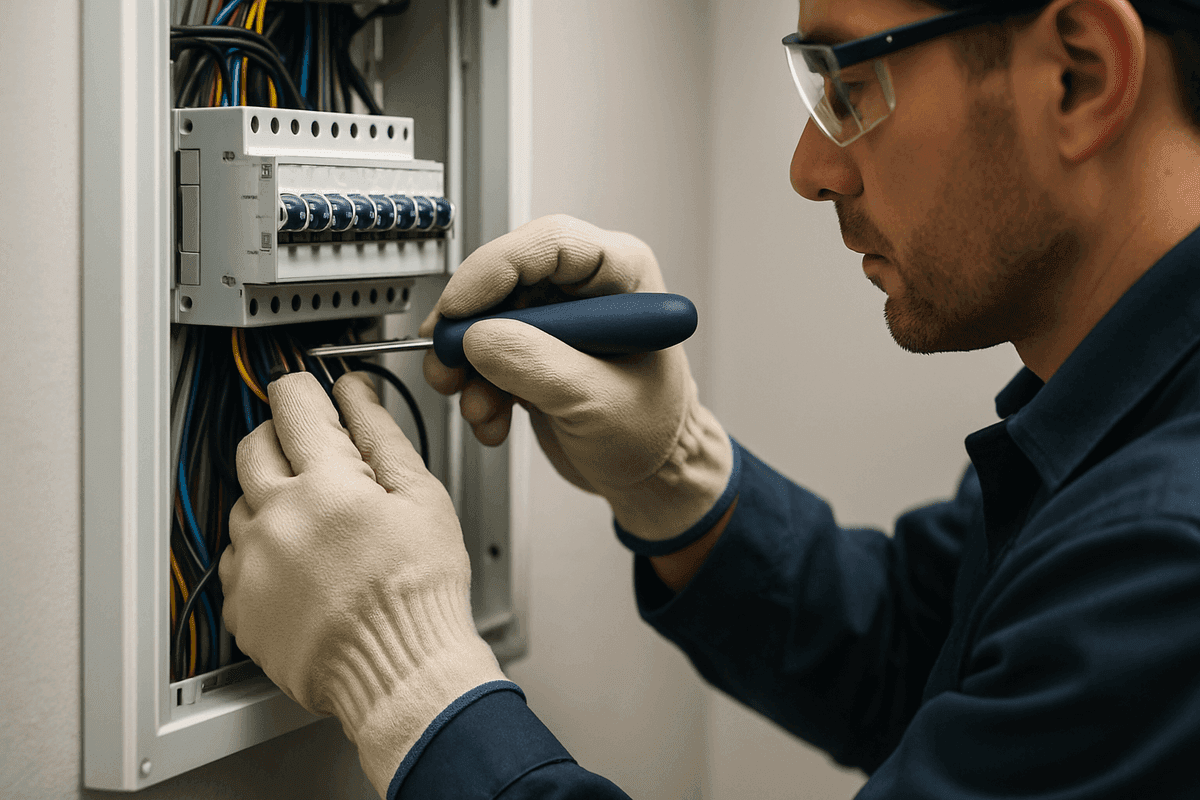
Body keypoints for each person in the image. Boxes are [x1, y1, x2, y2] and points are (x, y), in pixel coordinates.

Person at [217, 0, 1200, 796]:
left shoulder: (1167, 550)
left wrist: (408, 676)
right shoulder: (1120, 443)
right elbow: (921, 652)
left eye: (851, 85)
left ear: (1080, 74)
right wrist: (676, 470)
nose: (810, 169)